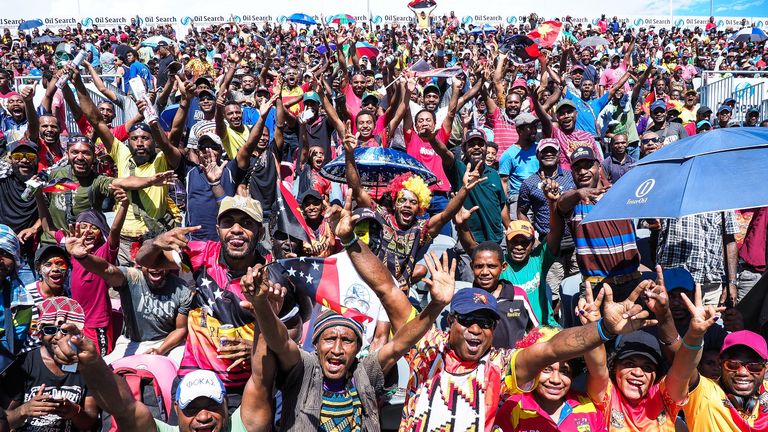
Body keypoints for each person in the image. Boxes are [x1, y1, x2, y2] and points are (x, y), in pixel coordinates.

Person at [135, 196, 307, 405]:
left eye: (246, 223)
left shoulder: (275, 277)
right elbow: (145, 260)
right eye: (228, 222)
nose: (236, 229)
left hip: (246, 388)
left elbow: (293, 330)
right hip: (193, 377)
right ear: (218, 230)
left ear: (260, 233)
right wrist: (155, 243)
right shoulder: (200, 254)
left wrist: (257, 347)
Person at [345, 128, 484, 287]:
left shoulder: (421, 229)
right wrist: (350, 154)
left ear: (420, 207)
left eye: (413, 202)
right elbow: (357, 190)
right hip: (373, 287)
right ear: (395, 202)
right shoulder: (381, 215)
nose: (407, 205)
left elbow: (445, 215)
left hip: (399, 296)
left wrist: (464, 190)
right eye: (402, 200)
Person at [64, 222, 192, 364]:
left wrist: (160, 350)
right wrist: (83, 257)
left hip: (167, 344)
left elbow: (181, 329)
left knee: (180, 369)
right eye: (150, 262)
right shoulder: (132, 277)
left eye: (161, 261)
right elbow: (107, 269)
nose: (155, 267)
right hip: (130, 342)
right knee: (105, 369)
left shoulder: (181, 289)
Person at [557, 146, 641, 301]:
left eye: (588, 166)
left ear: (599, 167)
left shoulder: (620, 193)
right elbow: (561, 204)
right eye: (577, 168)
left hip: (632, 282)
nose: (582, 172)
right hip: (597, 287)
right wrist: (579, 193)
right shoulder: (574, 201)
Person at [4, 297, 99, 432]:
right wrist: (24, 409)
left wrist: (74, 412)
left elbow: (90, 422)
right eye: (50, 330)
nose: (58, 336)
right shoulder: (24, 364)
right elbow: (4, 421)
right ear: (40, 334)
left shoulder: (87, 367)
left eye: (65, 330)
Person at [494, 327, 607, 431]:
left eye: (564, 371)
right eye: (547, 370)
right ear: (532, 370)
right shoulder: (513, 407)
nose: (556, 380)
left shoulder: (588, 407)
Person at [684, 330, 768, 431]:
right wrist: (695, 332)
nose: (743, 372)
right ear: (720, 364)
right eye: (732, 365)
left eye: (754, 366)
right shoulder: (703, 392)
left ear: (766, 367)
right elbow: (683, 366)